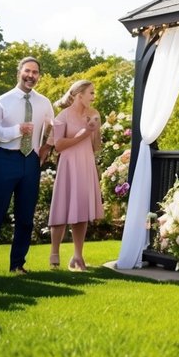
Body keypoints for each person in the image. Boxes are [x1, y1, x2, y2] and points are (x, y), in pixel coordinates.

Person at [0, 57, 53, 278]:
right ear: (19, 72)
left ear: (39, 76)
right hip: (5, 158)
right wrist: (17, 130)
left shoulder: (44, 102)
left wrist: (46, 148)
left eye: (35, 72)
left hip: (31, 161)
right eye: (27, 71)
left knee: (26, 216)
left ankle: (17, 264)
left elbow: (53, 127)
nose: (31, 75)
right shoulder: (3, 101)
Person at [48, 80, 104, 272]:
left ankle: (78, 256)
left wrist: (95, 129)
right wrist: (84, 133)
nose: (93, 97)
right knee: (62, 208)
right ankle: (54, 253)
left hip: (86, 163)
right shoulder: (62, 116)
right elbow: (58, 145)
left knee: (81, 210)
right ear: (79, 95)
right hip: (68, 165)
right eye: (91, 93)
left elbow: (96, 146)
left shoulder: (94, 114)